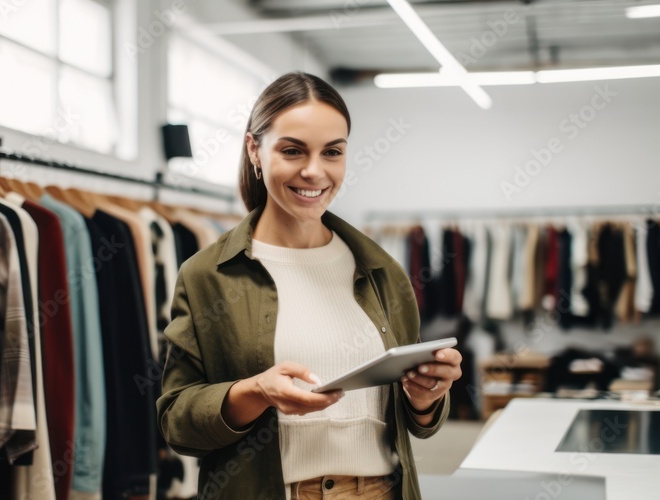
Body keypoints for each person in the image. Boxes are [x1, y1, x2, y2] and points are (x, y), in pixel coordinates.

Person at [156, 72, 462, 499]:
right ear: (254, 150)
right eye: (293, 150)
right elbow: (176, 422)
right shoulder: (208, 275)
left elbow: (417, 422)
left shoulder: (382, 271)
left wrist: (427, 396)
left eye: (332, 152)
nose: (314, 171)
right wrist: (255, 391)